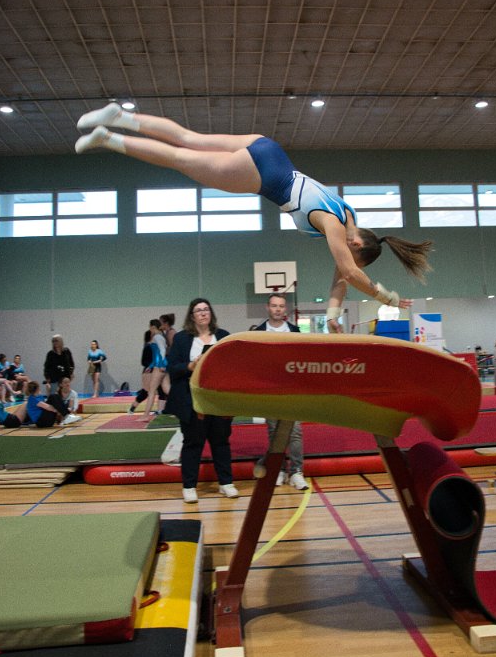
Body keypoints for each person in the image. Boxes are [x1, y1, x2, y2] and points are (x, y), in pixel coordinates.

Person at [75, 105, 432, 320]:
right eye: (350, 256)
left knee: (188, 138)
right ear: (355, 245)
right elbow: (350, 273)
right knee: (180, 158)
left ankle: (121, 116)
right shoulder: (335, 226)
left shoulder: (348, 213)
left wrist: (333, 314)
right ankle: (109, 138)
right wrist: (387, 297)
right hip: (265, 177)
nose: (342, 260)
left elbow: (343, 277)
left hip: (268, 149)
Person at [163, 297, 238, 503]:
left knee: (221, 442)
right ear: (192, 316)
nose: (203, 313)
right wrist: (189, 366)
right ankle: (189, 486)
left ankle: (226, 483)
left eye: (206, 309)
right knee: (193, 443)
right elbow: (172, 367)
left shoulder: (223, 336)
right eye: (198, 310)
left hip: (218, 399)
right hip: (192, 400)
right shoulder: (182, 339)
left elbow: (233, 366)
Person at [254, 293, 308, 490]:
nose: (277, 309)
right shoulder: (258, 333)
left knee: (295, 432)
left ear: (285, 309)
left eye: (281, 306)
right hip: (269, 390)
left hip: (292, 390)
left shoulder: (295, 331)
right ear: (267, 307)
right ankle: (279, 469)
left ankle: (297, 471)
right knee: (274, 432)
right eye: (274, 305)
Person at [140, 319, 170, 421]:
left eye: (150, 327)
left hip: (159, 366)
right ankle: (185, 405)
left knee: (152, 391)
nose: (149, 329)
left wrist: (161, 364)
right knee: (167, 390)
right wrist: (151, 366)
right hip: (159, 365)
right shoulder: (159, 336)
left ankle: (145, 415)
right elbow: (157, 354)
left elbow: (162, 350)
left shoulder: (157, 337)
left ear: (152, 327)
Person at [128, 330, 153, 414]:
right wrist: (150, 366)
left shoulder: (152, 346)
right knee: (146, 392)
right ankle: (133, 407)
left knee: (152, 392)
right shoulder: (148, 347)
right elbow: (143, 362)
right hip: (148, 372)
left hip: (153, 371)